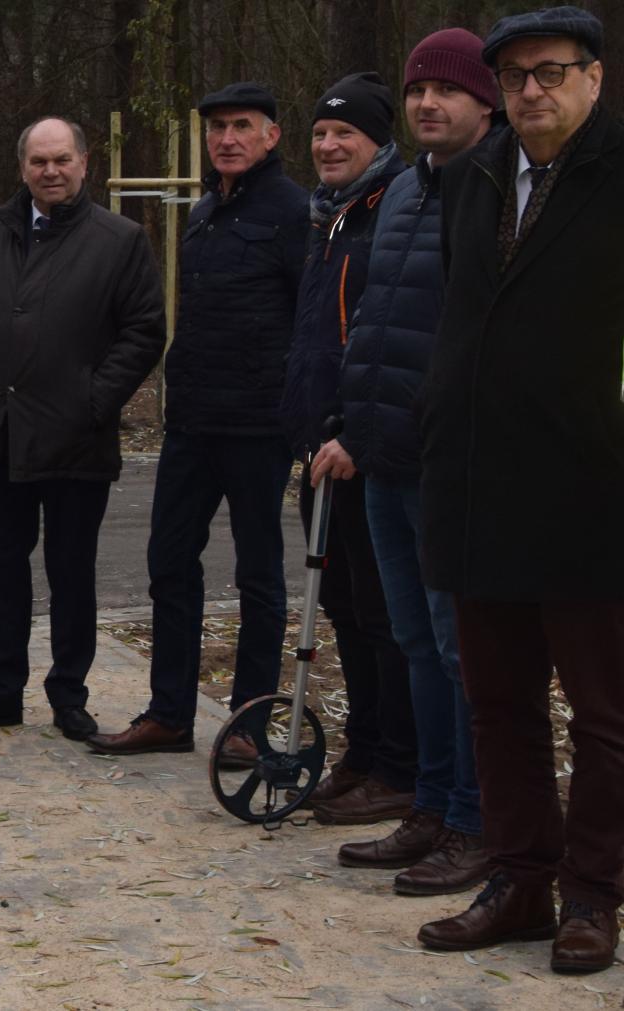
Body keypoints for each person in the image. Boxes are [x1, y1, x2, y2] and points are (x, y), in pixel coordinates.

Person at [415, 7, 624, 975]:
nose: (530, 90)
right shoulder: (474, 178)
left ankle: (592, 895)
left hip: (593, 491)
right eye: (514, 77)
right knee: (497, 702)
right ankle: (519, 880)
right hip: (479, 486)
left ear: (594, 77)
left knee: (605, 714)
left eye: (550, 72)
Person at [89, 84, 308, 761]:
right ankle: (169, 713)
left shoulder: (296, 211)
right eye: (217, 127)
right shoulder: (208, 209)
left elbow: (309, 323)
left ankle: (247, 724)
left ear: (272, 135)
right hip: (192, 423)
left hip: (259, 425)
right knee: (169, 564)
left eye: (243, 125)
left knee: (259, 576)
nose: (227, 138)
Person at [330, 29, 496, 896]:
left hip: (453, 465)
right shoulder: (400, 193)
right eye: (418, 89)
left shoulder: (501, 189)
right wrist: (352, 427)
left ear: (486, 101)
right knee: (414, 644)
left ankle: (477, 818)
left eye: (448, 90)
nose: (429, 103)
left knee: (460, 645)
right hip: (383, 457)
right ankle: (430, 806)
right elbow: (376, 330)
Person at [0, 118, 165, 737]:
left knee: (72, 572)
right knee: (2, 572)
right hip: (0, 435)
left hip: (77, 438)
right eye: (39, 161)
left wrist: (95, 399)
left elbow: (144, 330)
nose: (51, 171)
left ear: (85, 163)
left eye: (62, 159)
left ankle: (69, 694)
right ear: (23, 168)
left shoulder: (119, 241)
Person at [277, 72, 417, 826]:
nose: (329, 146)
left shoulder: (388, 209)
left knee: (381, 613)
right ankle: (362, 751)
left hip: (362, 447)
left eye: (346, 135)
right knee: (342, 608)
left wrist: (351, 431)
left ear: (376, 143)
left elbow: (384, 340)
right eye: (322, 134)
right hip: (317, 446)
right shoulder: (326, 216)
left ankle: (399, 762)